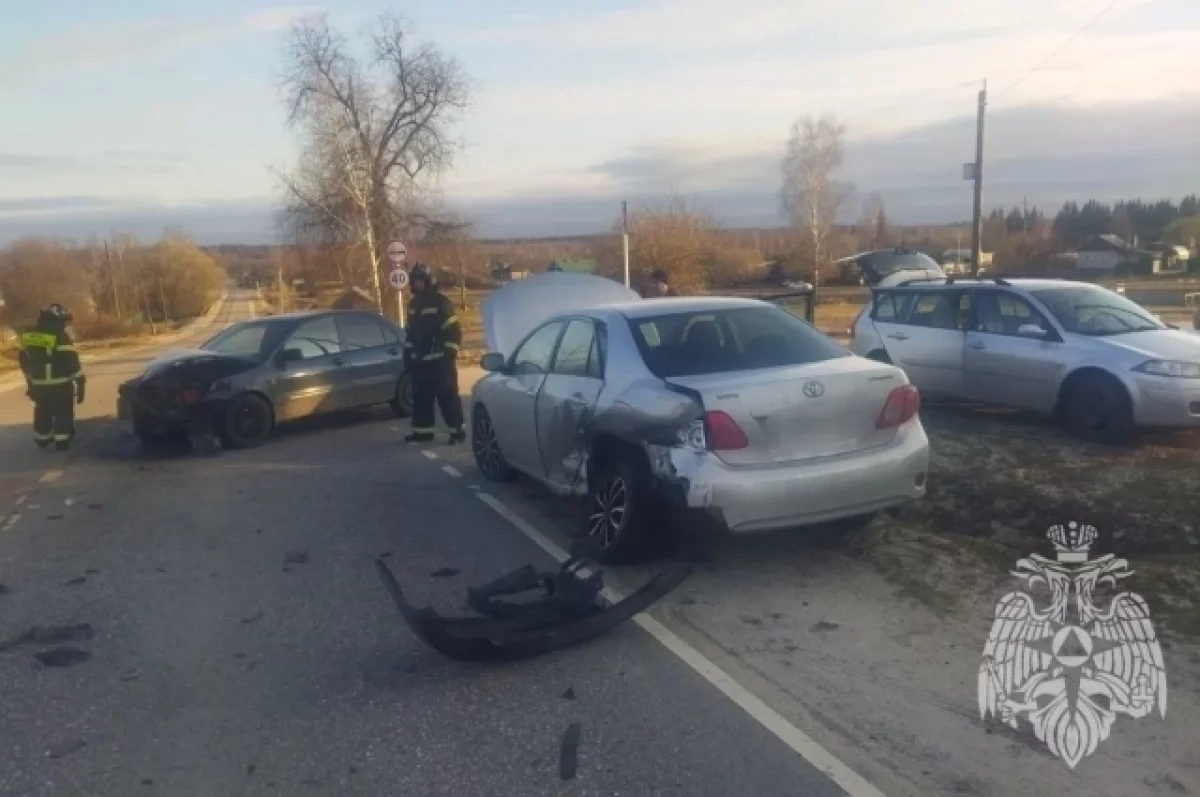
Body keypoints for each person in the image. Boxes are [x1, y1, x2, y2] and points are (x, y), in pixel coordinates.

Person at [403, 263, 466, 445]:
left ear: (428, 281)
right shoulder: (413, 305)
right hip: (420, 363)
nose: (418, 284)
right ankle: (423, 432)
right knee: (421, 399)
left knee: (448, 398)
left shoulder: (441, 302)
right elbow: (411, 334)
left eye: (421, 280)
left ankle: (457, 432)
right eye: (415, 280)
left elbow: (454, 331)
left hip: (440, 363)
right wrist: (408, 355)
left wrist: (448, 355)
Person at [18, 303, 86, 451]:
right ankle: (62, 440)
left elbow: (24, 360)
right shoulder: (60, 337)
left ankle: (42, 438)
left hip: (39, 385)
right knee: (63, 412)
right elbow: (72, 362)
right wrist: (81, 383)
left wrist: (30, 382)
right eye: (64, 322)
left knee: (43, 411)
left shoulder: (30, 336)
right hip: (60, 385)